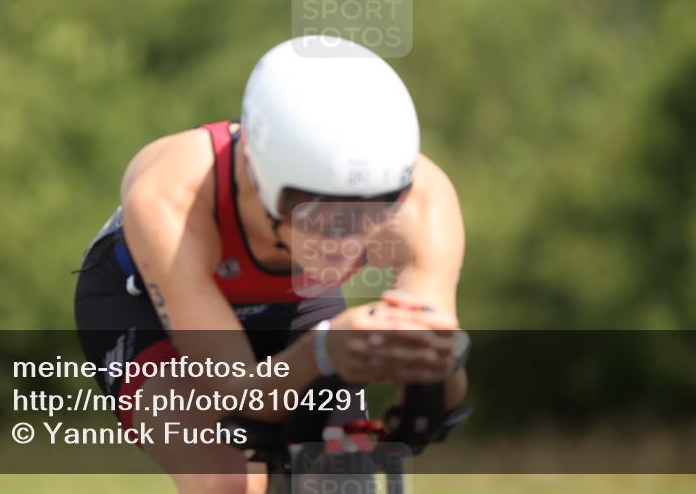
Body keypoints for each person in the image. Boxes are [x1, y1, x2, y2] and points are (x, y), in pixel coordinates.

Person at [74, 35, 467, 494]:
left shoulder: (422, 197)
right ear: (256, 173)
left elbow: (438, 402)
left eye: (372, 213)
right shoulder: (171, 196)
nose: (343, 242)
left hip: (296, 302)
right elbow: (243, 398)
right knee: (226, 479)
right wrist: (324, 350)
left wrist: (437, 360)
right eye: (316, 214)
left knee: (341, 479)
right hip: (141, 306)